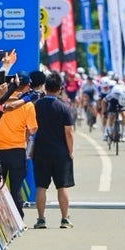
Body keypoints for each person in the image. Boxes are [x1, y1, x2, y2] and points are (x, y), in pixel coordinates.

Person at [32, 73, 75, 229]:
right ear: (60, 89)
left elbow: (31, 129)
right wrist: (70, 151)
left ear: (45, 87)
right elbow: (69, 132)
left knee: (41, 187)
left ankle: (41, 219)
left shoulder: (37, 105)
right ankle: (64, 219)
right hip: (60, 152)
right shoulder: (64, 107)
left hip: (41, 151)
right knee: (62, 186)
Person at [0, 74, 36, 218]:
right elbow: (33, 129)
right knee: (16, 188)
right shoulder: (27, 104)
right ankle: (18, 218)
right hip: (17, 150)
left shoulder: (0, 101)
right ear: (27, 86)